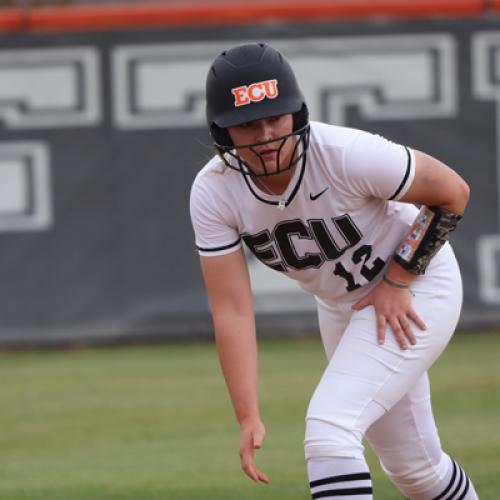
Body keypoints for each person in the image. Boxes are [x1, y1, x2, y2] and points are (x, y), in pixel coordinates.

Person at [189, 42, 479, 499]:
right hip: (344, 306)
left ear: (297, 113)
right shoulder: (214, 191)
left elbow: (452, 192)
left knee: (330, 428)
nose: (265, 135)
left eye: (275, 118)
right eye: (247, 124)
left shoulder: (344, 153)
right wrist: (247, 415)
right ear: (221, 131)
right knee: (416, 472)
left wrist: (399, 278)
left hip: (417, 284)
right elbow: (232, 311)